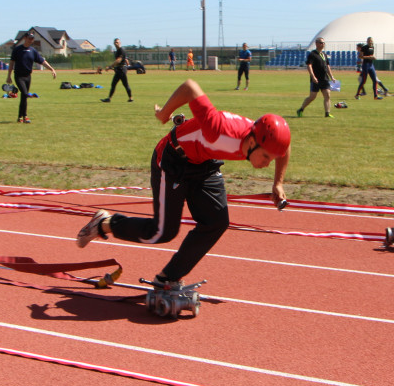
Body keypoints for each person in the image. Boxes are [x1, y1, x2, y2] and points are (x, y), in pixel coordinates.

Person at [75, 79, 290, 290]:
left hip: (204, 163)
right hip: (173, 160)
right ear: (252, 142)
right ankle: (104, 223)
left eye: (271, 158)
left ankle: (167, 278)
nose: (267, 163)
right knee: (161, 232)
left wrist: (277, 183)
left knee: (216, 222)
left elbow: (284, 149)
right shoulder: (219, 128)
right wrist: (164, 114)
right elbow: (189, 87)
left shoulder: (261, 140)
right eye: (266, 157)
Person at [7, 32, 56, 123]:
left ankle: (20, 117)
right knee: (25, 94)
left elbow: (42, 61)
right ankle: (25, 116)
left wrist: (51, 69)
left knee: (23, 97)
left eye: (32, 38)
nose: (31, 40)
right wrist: (9, 76)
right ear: (25, 38)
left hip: (28, 77)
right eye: (29, 38)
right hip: (19, 76)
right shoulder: (17, 50)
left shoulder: (33, 51)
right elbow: (11, 63)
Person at [297, 37, 335, 118]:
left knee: (327, 95)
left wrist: (332, 76)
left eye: (324, 43)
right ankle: (301, 109)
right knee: (312, 97)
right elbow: (309, 66)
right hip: (316, 79)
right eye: (321, 43)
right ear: (316, 43)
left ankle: (327, 113)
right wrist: (313, 76)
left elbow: (327, 66)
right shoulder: (312, 54)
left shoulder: (324, 55)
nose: (323, 44)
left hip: (324, 78)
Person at [102, 38, 132, 103]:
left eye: (117, 42)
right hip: (119, 69)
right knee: (118, 84)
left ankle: (109, 99)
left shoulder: (121, 50)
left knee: (120, 84)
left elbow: (119, 60)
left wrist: (110, 66)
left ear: (120, 43)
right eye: (115, 42)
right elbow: (125, 59)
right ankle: (130, 98)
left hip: (121, 70)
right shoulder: (117, 51)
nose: (116, 43)